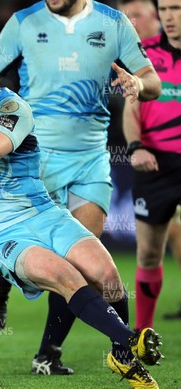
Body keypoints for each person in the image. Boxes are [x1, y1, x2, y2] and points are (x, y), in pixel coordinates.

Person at [0, 40, 163, 389]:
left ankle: (121, 353)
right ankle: (130, 342)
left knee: (107, 275)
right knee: (64, 276)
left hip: (42, 211)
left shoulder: (10, 105)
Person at [0, 0, 162, 375]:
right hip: (35, 155)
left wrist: (138, 83)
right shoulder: (23, 22)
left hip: (90, 158)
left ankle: (49, 353)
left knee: (84, 262)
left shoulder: (113, 23)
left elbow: (153, 81)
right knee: (26, 240)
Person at [122, 0, 181, 328]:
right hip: (154, 165)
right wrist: (135, 148)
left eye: (177, 8)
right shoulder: (144, 56)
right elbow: (131, 109)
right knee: (148, 254)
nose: (169, 17)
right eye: (165, 9)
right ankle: (143, 334)